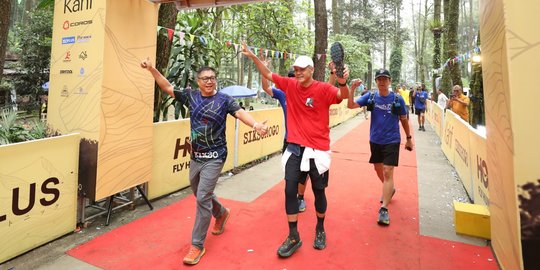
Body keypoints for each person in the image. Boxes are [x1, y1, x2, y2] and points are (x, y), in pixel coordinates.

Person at [140, 58, 269, 265]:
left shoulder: (224, 100)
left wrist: (255, 125)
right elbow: (166, 86)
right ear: (198, 81)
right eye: (205, 78)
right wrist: (152, 69)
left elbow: (240, 112)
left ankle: (197, 245)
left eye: (212, 78)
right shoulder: (191, 96)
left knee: (202, 198)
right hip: (196, 156)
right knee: (200, 192)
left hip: (216, 156)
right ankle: (221, 212)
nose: (209, 81)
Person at [242, 41, 349, 257]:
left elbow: (343, 96)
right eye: (296, 69)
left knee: (319, 192)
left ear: (311, 70)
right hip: (294, 148)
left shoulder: (323, 88)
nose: (298, 72)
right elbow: (268, 75)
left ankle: (320, 228)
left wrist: (342, 81)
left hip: (317, 150)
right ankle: (293, 235)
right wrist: (252, 56)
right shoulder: (289, 85)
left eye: (302, 69)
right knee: (290, 191)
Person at [347, 68, 413, 226]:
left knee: (387, 170)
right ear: (376, 81)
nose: (382, 82)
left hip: (392, 140)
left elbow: (403, 120)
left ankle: (384, 209)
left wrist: (409, 138)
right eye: (379, 79)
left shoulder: (398, 99)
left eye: (385, 79)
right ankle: (389, 189)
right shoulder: (370, 97)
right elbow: (350, 105)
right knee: (378, 169)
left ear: (390, 81)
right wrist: (351, 89)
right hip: (375, 139)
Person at [260, 62, 308, 213]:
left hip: (307, 141)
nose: (293, 80)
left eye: (295, 77)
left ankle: (300, 197)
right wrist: (264, 71)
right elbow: (266, 88)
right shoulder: (283, 94)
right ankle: (292, 194)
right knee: (290, 171)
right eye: (290, 77)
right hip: (289, 140)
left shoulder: (308, 93)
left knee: (303, 172)